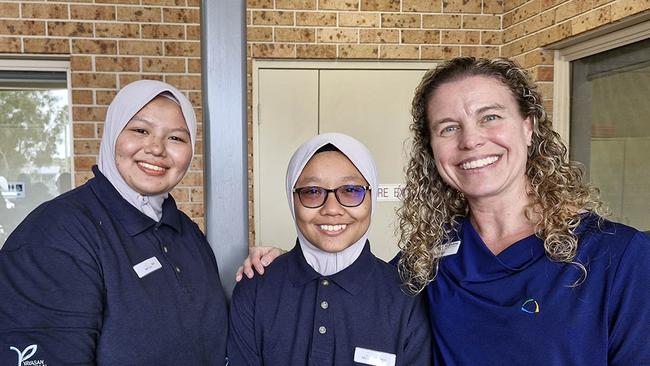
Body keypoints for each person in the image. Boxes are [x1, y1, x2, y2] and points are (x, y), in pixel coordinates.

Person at [237, 57, 650, 365]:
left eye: (490, 117)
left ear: (528, 127)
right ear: (432, 148)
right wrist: (288, 262)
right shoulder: (426, 260)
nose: (471, 140)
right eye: (448, 127)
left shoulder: (619, 257)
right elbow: (354, 278)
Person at [0, 80, 228, 365]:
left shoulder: (186, 233)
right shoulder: (55, 235)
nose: (156, 148)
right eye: (140, 130)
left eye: (176, 138)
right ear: (112, 135)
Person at [228, 133, 432, 365]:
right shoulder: (256, 287)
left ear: (372, 196)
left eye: (351, 190)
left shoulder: (405, 295)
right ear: (291, 198)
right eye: (312, 192)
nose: (332, 209)